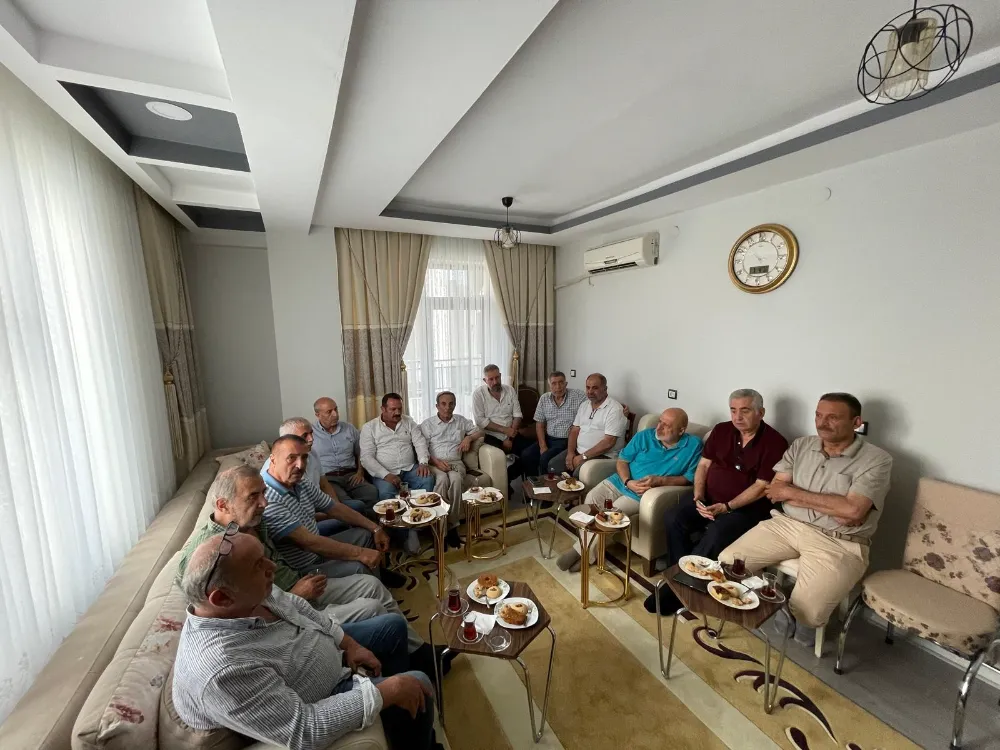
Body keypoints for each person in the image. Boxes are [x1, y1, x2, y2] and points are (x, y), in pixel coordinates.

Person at [173, 531, 443, 750]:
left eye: (265, 558)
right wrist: (388, 691)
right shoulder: (221, 669)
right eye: (259, 566)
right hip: (324, 697)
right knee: (418, 683)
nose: (272, 567)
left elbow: (297, 605)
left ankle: (401, 721)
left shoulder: (246, 592)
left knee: (392, 627)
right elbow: (304, 729)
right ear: (222, 598)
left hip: (321, 649)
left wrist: (348, 643)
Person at [718, 393, 892, 634]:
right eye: (818, 415)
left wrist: (793, 493)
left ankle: (801, 623)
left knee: (807, 614)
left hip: (838, 540)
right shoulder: (802, 445)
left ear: (856, 422)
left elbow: (853, 511)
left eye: (833, 417)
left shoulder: (877, 459)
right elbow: (775, 490)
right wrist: (837, 505)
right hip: (787, 524)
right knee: (728, 563)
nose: (822, 423)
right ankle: (776, 604)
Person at [643, 390, 789, 613]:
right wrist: (698, 496)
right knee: (674, 517)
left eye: (745, 410)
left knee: (716, 533)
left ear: (761, 412)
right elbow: (703, 465)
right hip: (709, 499)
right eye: (733, 410)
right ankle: (680, 576)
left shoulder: (775, 442)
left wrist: (727, 507)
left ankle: (682, 587)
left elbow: (762, 486)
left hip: (745, 509)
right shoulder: (721, 430)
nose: (737, 416)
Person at [557, 408, 702, 573]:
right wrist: (627, 481)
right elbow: (622, 460)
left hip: (641, 494)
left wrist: (661, 481)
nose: (659, 428)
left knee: (610, 517)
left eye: (666, 425)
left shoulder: (693, 446)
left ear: (681, 430)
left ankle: (579, 553)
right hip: (620, 481)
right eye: (659, 421)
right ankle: (588, 551)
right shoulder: (645, 436)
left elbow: (688, 479)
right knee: (591, 500)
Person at [261, 434, 403, 586]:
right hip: (305, 567)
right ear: (273, 460)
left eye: (304, 458)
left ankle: (377, 575)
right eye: (291, 458)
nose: (300, 465)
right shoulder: (267, 499)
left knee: (366, 534)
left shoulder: (300, 483)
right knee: (359, 566)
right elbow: (309, 542)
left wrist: (376, 528)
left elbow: (335, 508)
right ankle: (372, 584)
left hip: (316, 550)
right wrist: (361, 554)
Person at [262, 417, 369, 535]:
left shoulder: (311, 453)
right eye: (305, 435)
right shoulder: (270, 481)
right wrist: (329, 514)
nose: (311, 439)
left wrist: (335, 506)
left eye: (311, 433)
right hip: (306, 521)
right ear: (288, 439)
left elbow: (324, 484)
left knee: (358, 507)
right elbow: (303, 527)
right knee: (354, 525)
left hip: (316, 506)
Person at [360, 393, 435, 554]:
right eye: (393, 409)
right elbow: (366, 457)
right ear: (383, 409)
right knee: (386, 494)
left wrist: (423, 462)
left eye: (400, 409)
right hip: (384, 474)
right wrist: (385, 474)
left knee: (427, 479)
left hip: (409, 468)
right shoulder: (369, 428)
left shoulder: (409, 422)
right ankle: (404, 535)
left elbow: (420, 443)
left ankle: (418, 523)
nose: (397, 412)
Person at [420, 391, 484, 549]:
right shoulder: (427, 425)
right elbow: (421, 449)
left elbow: (480, 431)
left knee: (456, 480)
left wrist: (468, 437)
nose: (447, 407)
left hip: (455, 462)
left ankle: (453, 525)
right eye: (443, 404)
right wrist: (435, 462)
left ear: (455, 405)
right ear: (437, 406)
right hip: (434, 463)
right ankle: (439, 529)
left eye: (451, 404)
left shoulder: (460, 421)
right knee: (442, 481)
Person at [549, 373, 628, 475]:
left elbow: (609, 442)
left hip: (602, 455)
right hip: (579, 451)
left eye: (595, 388)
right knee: (553, 465)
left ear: (605, 389)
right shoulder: (584, 405)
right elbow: (574, 430)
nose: (590, 391)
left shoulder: (614, 409)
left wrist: (583, 457)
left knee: (578, 473)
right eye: (588, 387)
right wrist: (570, 452)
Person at [312, 397, 379, 508]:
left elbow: (360, 452)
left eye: (336, 409)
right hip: (329, 479)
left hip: (351, 475)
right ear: (318, 415)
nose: (335, 414)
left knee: (371, 492)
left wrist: (360, 472)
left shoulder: (349, 428)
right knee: (347, 503)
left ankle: (368, 516)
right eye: (329, 412)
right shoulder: (311, 433)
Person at [520, 371, 586, 476]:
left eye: (561, 382)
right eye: (554, 383)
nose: (558, 387)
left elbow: (593, 399)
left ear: (566, 384)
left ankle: (547, 484)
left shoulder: (578, 396)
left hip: (566, 441)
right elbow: (539, 424)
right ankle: (534, 482)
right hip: (549, 438)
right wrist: (542, 446)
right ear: (549, 386)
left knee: (545, 458)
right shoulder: (544, 398)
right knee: (526, 455)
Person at [472, 364, 530, 478]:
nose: (495, 382)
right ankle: (505, 483)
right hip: (490, 437)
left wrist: (510, 437)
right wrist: (504, 430)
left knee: (531, 453)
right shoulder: (478, 394)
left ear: (500, 375)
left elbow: (517, 415)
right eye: (491, 379)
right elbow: (480, 421)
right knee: (497, 458)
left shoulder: (510, 390)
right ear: (485, 380)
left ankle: (511, 477)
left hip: (512, 434)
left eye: (497, 377)